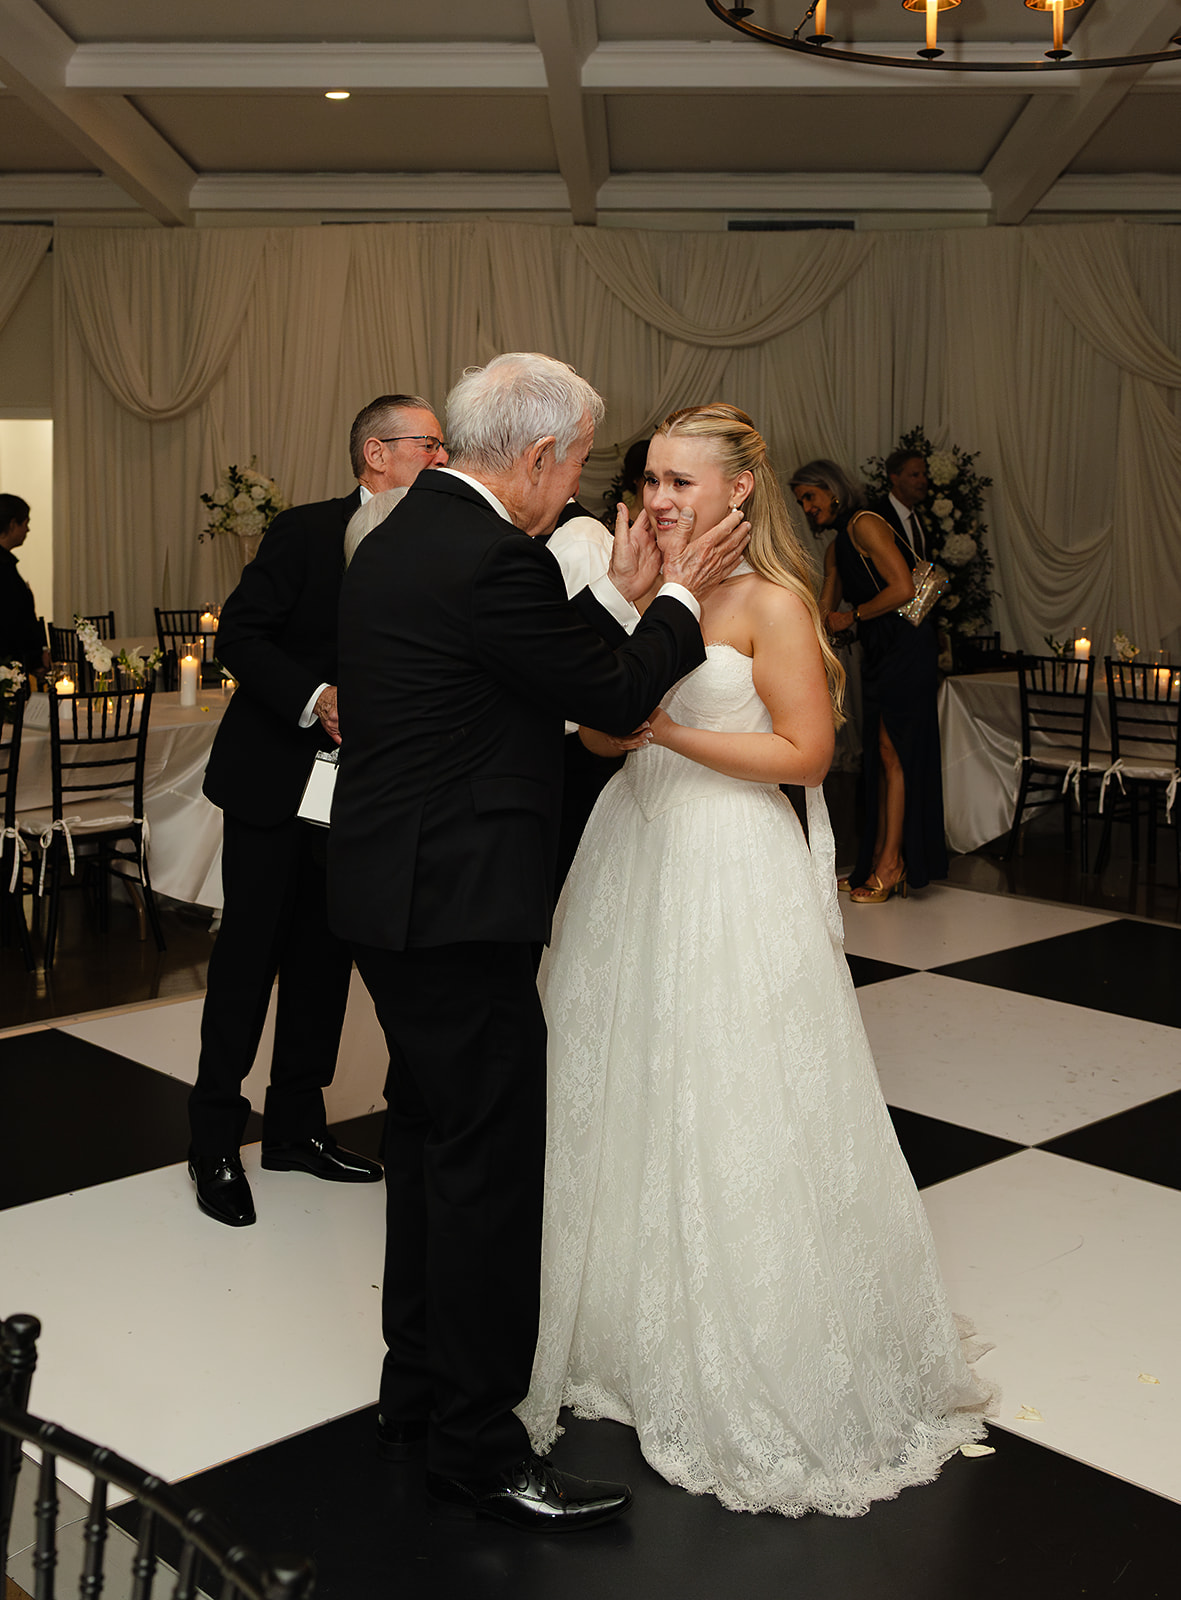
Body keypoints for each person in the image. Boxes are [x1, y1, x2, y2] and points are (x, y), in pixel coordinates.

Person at [519, 406, 990, 1518]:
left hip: (727, 860)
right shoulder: (639, 592)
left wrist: (668, 734)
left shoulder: (774, 602)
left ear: (740, 493)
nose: (661, 496)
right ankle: (627, 1326)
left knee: (731, 1088)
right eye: (649, 478)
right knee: (622, 1078)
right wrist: (622, 686)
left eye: (683, 480)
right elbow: (591, 730)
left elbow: (805, 751)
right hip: (632, 850)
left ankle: (757, 1326)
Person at [328, 353, 750, 1533]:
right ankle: (477, 1444)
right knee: (489, 1180)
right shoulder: (490, 556)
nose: (573, 488)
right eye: (571, 463)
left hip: (392, 901)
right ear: (533, 455)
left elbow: (516, 663)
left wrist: (616, 600)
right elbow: (608, 698)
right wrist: (670, 598)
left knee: (424, 1148)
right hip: (457, 914)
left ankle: (412, 1394)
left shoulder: (402, 540)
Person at [187, 395, 449, 1227]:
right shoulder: (304, 532)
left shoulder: (437, 545)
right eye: (430, 444)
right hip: (274, 780)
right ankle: (213, 1142)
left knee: (323, 963)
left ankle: (296, 1128)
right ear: (377, 452)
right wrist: (315, 697)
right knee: (247, 963)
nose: (444, 459)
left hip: (366, 793)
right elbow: (240, 636)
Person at [791, 457, 947, 902]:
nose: (806, 507)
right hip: (880, 653)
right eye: (801, 501)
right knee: (881, 757)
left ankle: (893, 864)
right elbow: (824, 612)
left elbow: (903, 588)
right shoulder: (837, 546)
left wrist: (853, 616)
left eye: (810, 496)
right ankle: (874, 861)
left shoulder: (865, 524)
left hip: (907, 650)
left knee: (891, 752)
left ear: (832, 489)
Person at [0, 495, 47, 674]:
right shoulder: (4, 568)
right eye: (25, 523)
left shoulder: (6, 565)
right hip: (9, 663)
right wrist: (35, 659)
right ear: (12, 524)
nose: (27, 529)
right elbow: (13, 620)